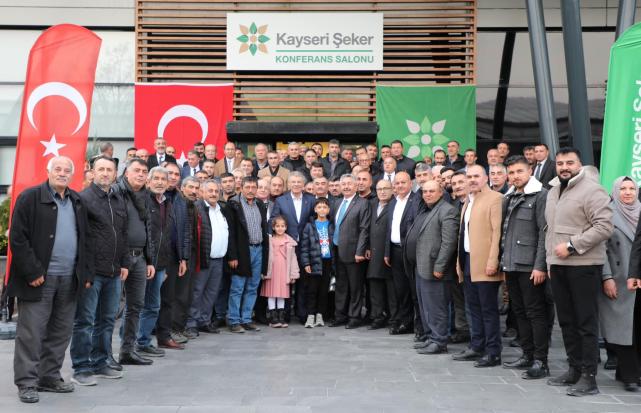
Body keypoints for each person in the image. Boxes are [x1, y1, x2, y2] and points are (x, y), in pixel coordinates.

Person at [9, 156, 90, 403]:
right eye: (58, 169)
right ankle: (27, 382)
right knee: (31, 333)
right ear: (48, 171)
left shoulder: (77, 200)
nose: (62, 173)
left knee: (60, 331)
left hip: (70, 278)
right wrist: (32, 272)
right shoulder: (30, 197)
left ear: (72, 175)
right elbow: (18, 238)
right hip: (39, 279)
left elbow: (86, 240)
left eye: (67, 170)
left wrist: (85, 273)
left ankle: (49, 377)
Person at [545, 148, 612, 396]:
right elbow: (549, 230)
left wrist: (572, 246)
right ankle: (574, 369)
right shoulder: (553, 190)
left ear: (579, 164)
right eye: (560, 163)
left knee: (585, 322)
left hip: (584, 266)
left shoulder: (593, 190)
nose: (564, 167)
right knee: (566, 321)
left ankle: (589, 377)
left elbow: (604, 227)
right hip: (558, 266)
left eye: (569, 163)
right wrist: (549, 262)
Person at [71, 156, 128, 386]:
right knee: (84, 321)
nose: (105, 173)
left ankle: (100, 362)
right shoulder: (83, 199)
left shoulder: (117, 198)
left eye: (109, 170)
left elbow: (122, 234)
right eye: (101, 169)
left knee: (106, 321)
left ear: (115, 174)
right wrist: (84, 272)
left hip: (114, 272)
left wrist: (124, 263)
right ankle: (81, 367)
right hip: (92, 273)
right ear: (92, 173)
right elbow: (79, 238)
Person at [500, 155, 550, 379]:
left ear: (530, 171)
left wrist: (540, 266)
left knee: (535, 313)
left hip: (530, 267)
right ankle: (527, 355)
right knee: (519, 312)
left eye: (519, 171)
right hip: (512, 265)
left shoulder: (541, 195)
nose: (515, 176)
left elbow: (544, 233)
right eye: (511, 172)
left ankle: (541, 361)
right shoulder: (509, 196)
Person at [452, 165, 504, 368]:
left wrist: (493, 261)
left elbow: (497, 233)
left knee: (488, 310)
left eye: (476, 176)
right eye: (469, 176)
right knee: (473, 308)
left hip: (485, 263)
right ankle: (477, 346)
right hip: (467, 261)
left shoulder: (495, 199)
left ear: (486, 178)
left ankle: (493, 352)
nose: (472, 179)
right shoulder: (468, 200)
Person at [408, 180, 459, 354]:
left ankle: (439, 340)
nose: (427, 194)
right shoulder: (426, 210)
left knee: (436, 307)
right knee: (426, 306)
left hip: (435, 269)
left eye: (431, 191)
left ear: (440, 193)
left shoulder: (448, 210)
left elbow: (449, 243)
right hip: (421, 266)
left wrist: (440, 266)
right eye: (425, 191)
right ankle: (430, 337)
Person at [600, 176, 641, 392]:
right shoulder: (607, 213)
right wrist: (606, 277)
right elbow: (601, 249)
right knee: (624, 330)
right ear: (615, 191)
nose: (627, 192)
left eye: (631, 188)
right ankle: (630, 375)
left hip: (638, 278)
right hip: (619, 278)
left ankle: (628, 372)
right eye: (623, 188)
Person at [116, 158, 157, 366]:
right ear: (126, 173)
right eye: (136, 170)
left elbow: (148, 229)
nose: (141, 174)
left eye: (144, 171)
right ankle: (101, 357)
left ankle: (127, 351)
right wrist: (122, 259)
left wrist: (149, 260)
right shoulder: (117, 192)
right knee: (110, 310)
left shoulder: (146, 195)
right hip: (119, 258)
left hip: (140, 257)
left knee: (136, 306)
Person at [186, 180, 234, 336]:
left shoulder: (221, 209)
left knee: (211, 293)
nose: (214, 194)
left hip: (219, 259)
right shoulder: (197, 208)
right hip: (202, 259)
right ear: (202, 192)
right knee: (197, 292)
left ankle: (204, 321)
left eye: (216, 191)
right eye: (210, 191)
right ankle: (191, 323)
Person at [136, 166, 173, 359]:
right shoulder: (142, 200)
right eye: (156, 178)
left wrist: (164, 266)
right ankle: (130, 344)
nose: (159, 182)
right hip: (143, 263)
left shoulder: (167, 203)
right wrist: (145, 261)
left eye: (163, 179)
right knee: (136, 306)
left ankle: (143, 342)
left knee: (153, 306)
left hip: (160, 265)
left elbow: (165, 237)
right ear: (148, 181)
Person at [226, 177, 269, 333]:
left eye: (253, 187)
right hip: (242, 251)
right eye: (247, 187)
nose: (251, 190)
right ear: (241, 188)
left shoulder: (260, 205)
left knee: (252, 287)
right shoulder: (233, 205)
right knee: (237, 287)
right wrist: (232, 256)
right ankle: (233, 320)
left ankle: (246, 319)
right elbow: (230, 232)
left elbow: (264, 229)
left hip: (258, 250)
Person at [271, 171, 315, 321]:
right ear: (288, 184)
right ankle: (285, 313)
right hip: (285, 247)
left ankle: (301, 313)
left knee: (303, 280)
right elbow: (274, 220)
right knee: (285, 280)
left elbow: (313, 220)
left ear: (303, 185)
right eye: (293, 182)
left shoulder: (311, 199)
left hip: (304, 246)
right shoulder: (281, 200)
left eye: (299, 182)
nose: (296, 184)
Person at [155, 163, 190, 350]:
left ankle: (164, 336)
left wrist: (183, 258)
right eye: (170, 173)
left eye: (177, 174)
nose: (173, 176)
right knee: (150, 300)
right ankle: (142, 339)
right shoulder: (154, 197)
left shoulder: (180, 199)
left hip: (174, 258)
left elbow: (184, 231)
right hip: (156, 258)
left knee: (169, 299)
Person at [329, 174, 370, 328]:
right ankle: (340, 315)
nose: (346, 187)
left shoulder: (363, 203)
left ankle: (354, 317)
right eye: (343, 184)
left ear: (355, 186)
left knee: (355, 286)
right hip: (337, 249)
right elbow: (333, 224)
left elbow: (364, 229)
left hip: (354, 252)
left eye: (349, 184)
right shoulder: (336, 202)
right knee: (341, 285)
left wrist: (360, 251)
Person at [385, 171, 422, 337]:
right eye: (397, 183)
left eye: (403, 182)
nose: (400, 185)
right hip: (395, 251)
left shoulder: (417, 201)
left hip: (410, 252)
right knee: (401, 291)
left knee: (415, 290)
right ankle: (406, 323)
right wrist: (387, 252)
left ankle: (420, 326)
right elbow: (389, 228)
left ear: (410, 183)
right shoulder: (393, 202)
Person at [261, 216, 300, 328]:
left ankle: (281, 317)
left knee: (281, 294)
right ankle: (273, 318)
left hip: (284, 271)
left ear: (286, 227)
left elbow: (293, 259)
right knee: (272, 294)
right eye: (277, 226)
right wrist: (263, 271)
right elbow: (265, 257)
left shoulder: (289, 241)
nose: (280, 228)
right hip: (272, 270)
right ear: (273, 227)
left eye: (282, 226)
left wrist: (293, 274)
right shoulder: (270, 240)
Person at [300, 198, 334, 328]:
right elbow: (304, 247)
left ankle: (320, 315)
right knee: (312, 290)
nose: (322, 210)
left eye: (324, 207)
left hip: (327, 262)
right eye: (319, 207)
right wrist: (306, 263)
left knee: (323, 291)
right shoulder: (310, 226)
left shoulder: (331, 225)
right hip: (314, 262)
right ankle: (310, 315)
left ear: (328, 210)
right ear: (315, 209)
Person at [365, 179, 394, 330]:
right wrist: (367, 247)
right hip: (373, 253)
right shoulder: (371, 204)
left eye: (386, 188)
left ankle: (393, 318)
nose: (382, 192)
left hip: (390, 253)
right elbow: (366, 227)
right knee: (375, 287)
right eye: (379, 189)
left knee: (391, 289)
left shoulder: (396, 204)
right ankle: (377, 317)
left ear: (392, 190)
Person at [448, 171, 470, 344]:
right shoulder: (453, 205)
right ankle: (462, 330)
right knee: (458, 297)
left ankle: (475, 332)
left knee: (472, 298)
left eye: (461, 182)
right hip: (455, 259)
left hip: (472, 258)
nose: (457, 186)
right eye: (454, 184)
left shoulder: (475, 203)